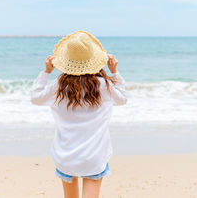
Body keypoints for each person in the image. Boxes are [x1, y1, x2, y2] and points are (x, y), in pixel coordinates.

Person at [30, 30, 127, 198]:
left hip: (66, 155)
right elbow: (123, 99)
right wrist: (114, 72)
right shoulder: (103, 85)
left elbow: (36, 98)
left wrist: (46, 72)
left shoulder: (59, 85)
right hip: (93, 155)